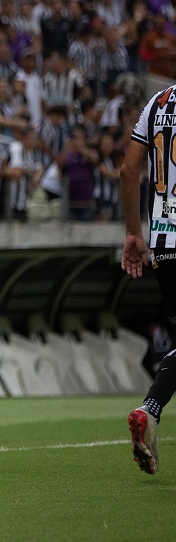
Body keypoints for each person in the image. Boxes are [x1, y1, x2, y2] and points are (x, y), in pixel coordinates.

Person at [122, 83, 176, 476]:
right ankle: (150, 411)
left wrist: (132, 232)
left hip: (162, 241)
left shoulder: (157, 102)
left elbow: (129, 170)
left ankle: (149, 412)